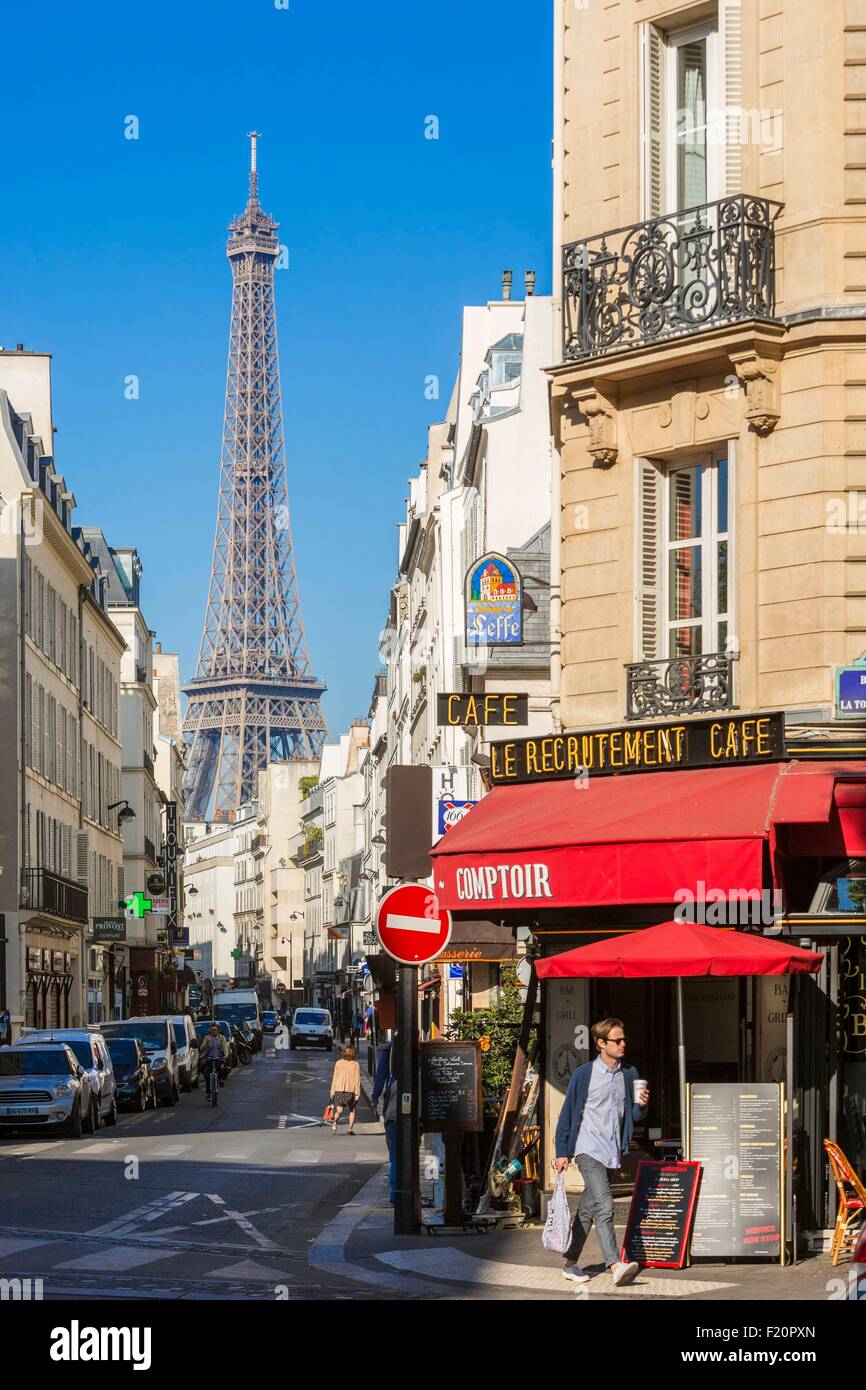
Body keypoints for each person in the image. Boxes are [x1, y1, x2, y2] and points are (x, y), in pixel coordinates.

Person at [554, 1017, 649, 1287]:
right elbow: (567, 1113)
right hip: (587, 1149)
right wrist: (562, 1150)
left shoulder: (629, 1073)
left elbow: (632, 1116)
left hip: (612, 1151)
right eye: (617, 1040)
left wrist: (641, 1106)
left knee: (588, 1209)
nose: (622, 1044)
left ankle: (570, 1264)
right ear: (601, 1043)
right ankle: (615, 1265)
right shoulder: (584, 1074)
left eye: (624, 1039)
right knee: (605, 1205)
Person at [370, 1040, 396, 1203]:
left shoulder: (389, 1049)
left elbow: (380, 1075)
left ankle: (395, 1193)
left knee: (395, 1155)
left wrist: (374, 1097)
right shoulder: (419, 1049)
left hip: (392, 1111)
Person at [329, 1044, 362, 1135]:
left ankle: (335, 1122)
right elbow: (357, 1080)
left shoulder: (338, 1063)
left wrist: (332, 1091)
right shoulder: (356, 1064)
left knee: (339, 1111)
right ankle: (350, 1129)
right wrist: (357, 1094)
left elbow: (335, 1078)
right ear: (353, 1054)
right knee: (352, 1110)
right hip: (350, 1091)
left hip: (339, 1089)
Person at [199, 1024, 229, 1098]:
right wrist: (206, 1043)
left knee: (222, 1070)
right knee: (207, 1075)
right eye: (212, 1030)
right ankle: (208, 1093)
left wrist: (225, 1055)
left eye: (215, 1030)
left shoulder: (222, 1038)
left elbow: (225, 1048)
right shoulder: (207, 1038)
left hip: (219, 1058)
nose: (213, 1031)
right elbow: (201, 1048)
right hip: (209, 1058)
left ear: (218, 1030)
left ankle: (220, 1079)